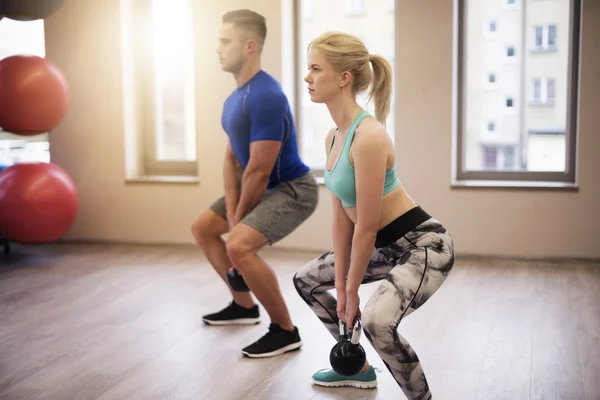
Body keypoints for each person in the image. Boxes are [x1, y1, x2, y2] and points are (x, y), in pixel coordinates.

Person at [293, 32, 455, 400]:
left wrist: (349, 292)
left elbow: (365, 227)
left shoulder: (369, 137)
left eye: (316, 69)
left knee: (378, 321)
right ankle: (357, 367)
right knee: (307, 281)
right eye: (308, 69)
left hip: (423, 245)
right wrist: (341, 285)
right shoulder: (334, 137)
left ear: (344, 77)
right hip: (383, 246)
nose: (307, 78)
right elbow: (341, 221)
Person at [191, 9, 318, 358]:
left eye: (224, 41)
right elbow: (232, 162)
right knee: (204, 227)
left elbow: (259, 171)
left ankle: (285, 330)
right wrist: (233, 217)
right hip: (258, 184)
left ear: (250, 46)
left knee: (240, 246)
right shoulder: (234, 99)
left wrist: (238, 228)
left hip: (293, 189)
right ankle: (243, 305)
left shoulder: (265, 95)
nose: (217, 48)